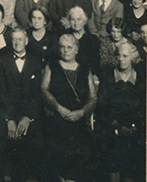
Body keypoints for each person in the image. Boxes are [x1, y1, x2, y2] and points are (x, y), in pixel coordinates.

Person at [41, 34, 97, 182]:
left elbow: (93, 97)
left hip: (79, 121)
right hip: (57, 120)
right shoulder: (51, 65)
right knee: (57, 157)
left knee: (80, 156)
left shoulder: (85, 69)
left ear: (76, 50)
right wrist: (59, 108)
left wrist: (82, 112)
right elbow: (44, 89)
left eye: (69, 47)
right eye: (62, 47)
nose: (65, 50)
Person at [0, 27, 44, 182]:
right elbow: (0, 92)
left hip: (27, 115)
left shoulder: (35, 63)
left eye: (20, 39)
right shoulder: (2, 62)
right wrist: (8, 119)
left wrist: (27, 117)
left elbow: (37, 94)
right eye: (14, 39)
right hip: (6, 113)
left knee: (37, 142)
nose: (17, 42)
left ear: (27, 41)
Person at [96, 42, 146, 182]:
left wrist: (134, 126)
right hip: (111, 128)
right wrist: (116, 125)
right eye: (118, 56)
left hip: (134, 129)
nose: (121, 59)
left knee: (132, 162)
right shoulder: (108, 77)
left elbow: (143, 106)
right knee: (112, 158)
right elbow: (102, 105)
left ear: (133, 57)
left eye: (125, 56)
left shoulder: (141, 78)